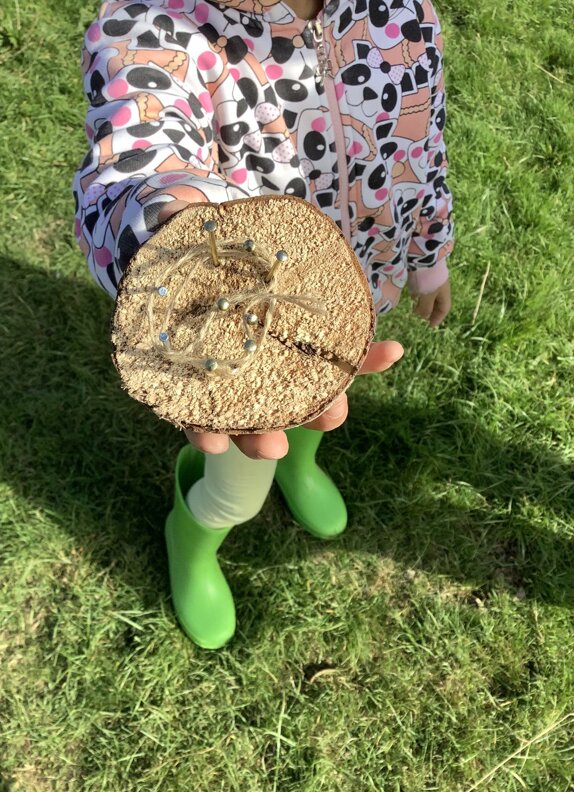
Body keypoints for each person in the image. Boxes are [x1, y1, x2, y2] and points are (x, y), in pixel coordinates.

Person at [73, 0, 454, 648]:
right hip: (241, 342)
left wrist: (429, 256)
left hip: (360, 285)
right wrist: (174, 232)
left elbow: (423, 144)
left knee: (330, 398)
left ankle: (302, 465)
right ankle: (196, 534)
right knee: (240, 486)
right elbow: (138, 161)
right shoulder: (152, 27)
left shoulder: (405, 12)